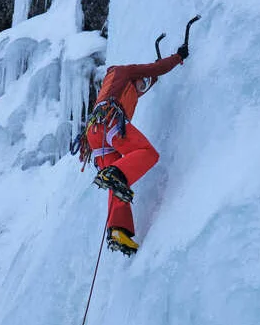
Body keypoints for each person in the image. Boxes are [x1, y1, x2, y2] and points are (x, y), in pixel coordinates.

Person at [80, 40, 189, 255]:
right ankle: (117, 174)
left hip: (95, 135)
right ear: (137, 78)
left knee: (116, 186)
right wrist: (177, 57)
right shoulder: (126, 71)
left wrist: (154, 78)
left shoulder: (117, 84)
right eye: (143, 83)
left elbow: (148, 79)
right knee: (147, 154)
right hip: (110, 122)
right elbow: (153, 69)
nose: (143, 88)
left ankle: (118, 230)